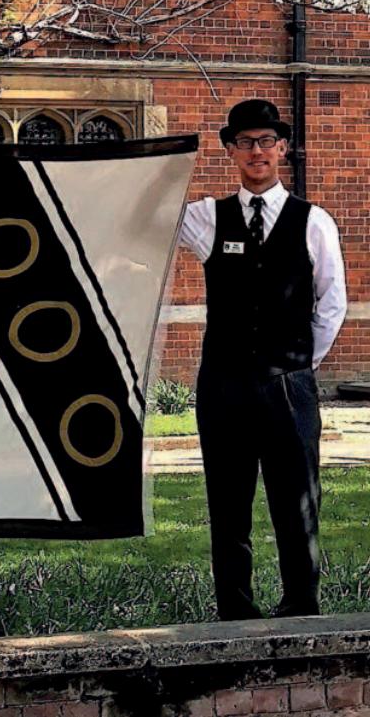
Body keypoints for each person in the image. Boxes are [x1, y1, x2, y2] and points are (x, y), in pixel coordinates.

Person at [178, 97, 346, 621]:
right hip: (223, 387)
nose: (257, 151)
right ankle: (235, 612)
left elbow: (332, 302)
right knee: (228, 508)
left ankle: (300, 606)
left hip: (288, 387)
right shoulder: (206, 219)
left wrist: (296, 366)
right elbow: (144, 211)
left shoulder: (314, 221)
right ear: (231, 150)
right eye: (246, 142)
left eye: (267, 141)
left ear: (283, 149)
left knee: (297, 505)